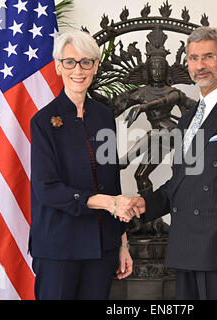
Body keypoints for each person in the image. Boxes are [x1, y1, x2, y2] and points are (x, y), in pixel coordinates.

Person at [132, 26, 217, 300]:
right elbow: (180, 184)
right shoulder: (188, 118)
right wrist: (145, 204)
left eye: (208, 57)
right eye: (194, 58)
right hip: (185, 250)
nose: (200, 66)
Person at [29, 30, 142, 300]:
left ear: (95, 66)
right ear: (58, 66)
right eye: (70, 62)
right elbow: (47, 189)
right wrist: (106, 203)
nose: (78, 70)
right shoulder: (43, 122)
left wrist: (122, 242)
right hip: (59, 249)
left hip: (101, 248)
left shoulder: (104, 117)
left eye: (86, 62)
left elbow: (112, 182)